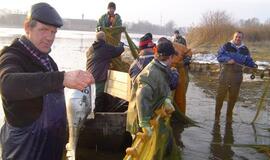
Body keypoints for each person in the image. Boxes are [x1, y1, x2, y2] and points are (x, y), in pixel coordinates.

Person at [0, 3, 95, 160]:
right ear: (27, 27)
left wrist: (80, 83)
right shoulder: (11, 57)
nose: (50, 37)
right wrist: (62, 77)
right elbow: (8, 85)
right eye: (43, 30)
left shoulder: (49, 62)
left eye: (53, 32)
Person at [126, 39, 181, 159]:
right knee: (139, 151)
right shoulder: (151, 73)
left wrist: (166, 99)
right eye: (173, 58)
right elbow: (142, 95)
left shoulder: (162, 68)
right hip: (139, 118)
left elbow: (164, 86)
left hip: (150, 113)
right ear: (170, 57)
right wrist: (144, 123)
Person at [215, 31, 257, 123]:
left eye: (240, 37)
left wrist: (253, 65)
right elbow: (219, 56)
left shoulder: (245, 49)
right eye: (236, 37)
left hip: (237, 76)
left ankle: (229, 116)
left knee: (233, 97)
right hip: (225, 74)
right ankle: (217, 116)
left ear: (242, 38)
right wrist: (227, 59)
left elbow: (248, 61)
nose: (238, 38)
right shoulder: (226, 45)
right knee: (220, 96)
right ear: (233, 37)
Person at [86, 31, 124, 111]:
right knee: (98, 97)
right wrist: (121, 45)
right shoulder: (105, 48)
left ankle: (92, 113)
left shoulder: (91, 48)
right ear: (104, 38)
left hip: (89, 77)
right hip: (98, 78)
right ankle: (97, 115)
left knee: (92, 97)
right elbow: (117, 51)